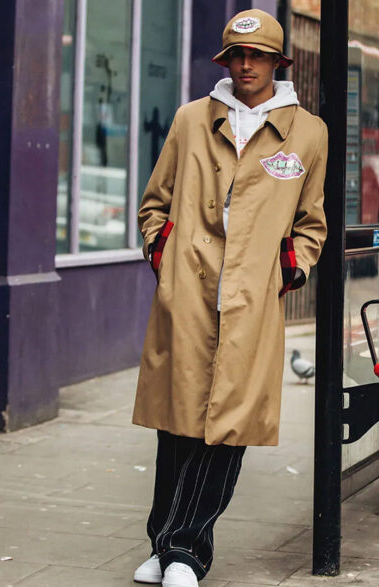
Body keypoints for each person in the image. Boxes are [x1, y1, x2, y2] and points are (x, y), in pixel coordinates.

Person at [131, 9, 328, 587]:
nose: (246, 65)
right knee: (179, 422)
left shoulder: (307, 133)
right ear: (225, 60)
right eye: (237, 56)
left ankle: (185, 552)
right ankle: (164, 544)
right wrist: (161, 254)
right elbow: (156, 202)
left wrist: (287, 270)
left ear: (276, 62)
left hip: (251, 302)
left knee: (229, 426)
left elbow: (311, 224)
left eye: (258, 56)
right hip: (188, 294)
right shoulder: (191, 120)